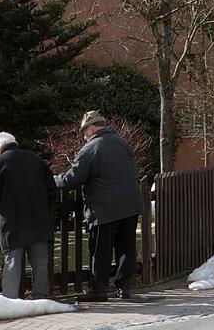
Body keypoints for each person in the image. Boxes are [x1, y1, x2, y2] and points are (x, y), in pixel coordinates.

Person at [56, 111, 142, 302]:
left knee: (100, 250)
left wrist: (54, 180)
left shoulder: (91, 148)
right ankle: (124, 287)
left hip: (104, 208)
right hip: (130, 203)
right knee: (125, 247)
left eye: (84, 133)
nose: (84, 137)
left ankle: (99, 289)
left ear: (91, 128)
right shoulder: (122, 143)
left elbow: (73, 179)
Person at [0, 131, 56, 300]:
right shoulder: (37, 160)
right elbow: (52, 190)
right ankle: (41, 299)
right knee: (40, 263)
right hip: (39, 220)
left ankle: (10, 301)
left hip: (12, 222)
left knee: (12, 263)